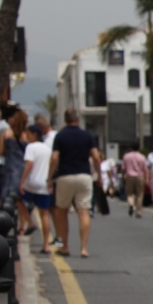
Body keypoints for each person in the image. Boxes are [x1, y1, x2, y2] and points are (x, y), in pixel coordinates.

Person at [47, 109, 99, 258]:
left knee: (62, 211)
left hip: (65, 176)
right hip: (84, 176)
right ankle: (83, 248)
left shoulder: (60, 136)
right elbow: (95, 157)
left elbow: (54, 158)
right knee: (83, 211)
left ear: (65, 119)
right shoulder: (87, 135)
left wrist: (49, 178)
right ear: (77, 119)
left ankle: (64, 247)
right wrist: (99, 175)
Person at [18, 124, 53, 252]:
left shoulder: (30, 147)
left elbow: (29, 164)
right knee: (44, 214)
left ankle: (30, 222)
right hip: (44, 184)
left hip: (31, 183)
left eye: (28, 134)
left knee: (17, 198)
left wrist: (22, 181)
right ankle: (46, 245)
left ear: (35, 134)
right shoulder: (48, 148)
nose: (26, 136)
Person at [121, 143, 147, 217]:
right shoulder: (142, 157)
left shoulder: (126, 156)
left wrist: (123, 176)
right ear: (139, 148)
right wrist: (146, 178)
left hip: (129, 175)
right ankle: (138, 211)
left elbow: (123, 168)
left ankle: (131, 203)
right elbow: (145, 169)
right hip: (140, 176)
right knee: (140, 194)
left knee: (129, 193)